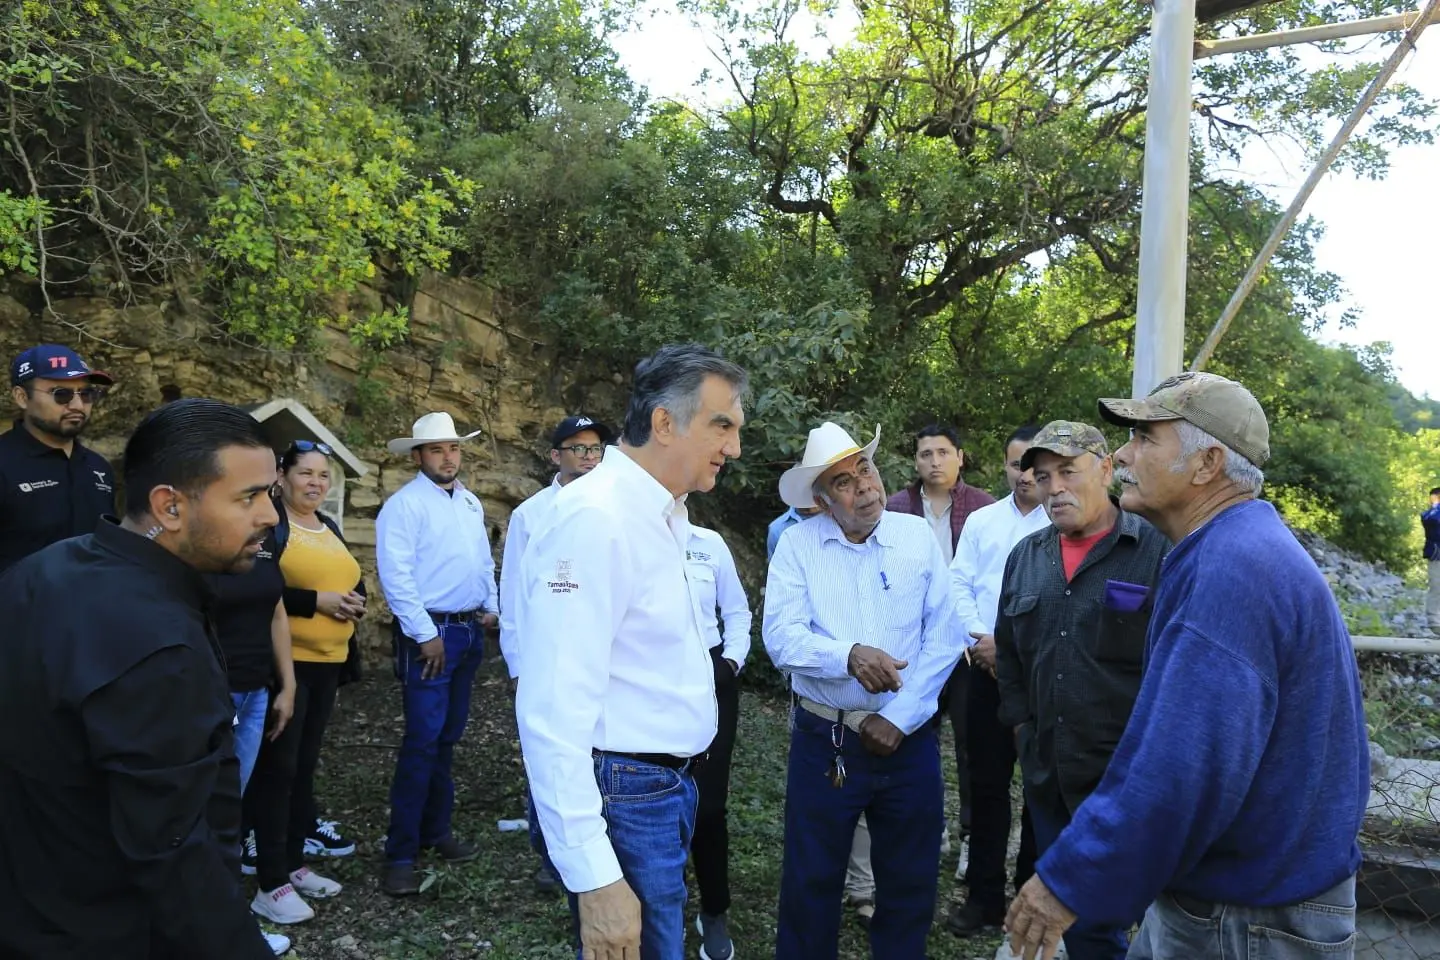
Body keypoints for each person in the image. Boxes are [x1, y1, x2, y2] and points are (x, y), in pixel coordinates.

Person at [1005, 373, 1369, 960]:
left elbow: (1182, 767)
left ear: (1207, 464)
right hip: (1243, 903)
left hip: (1245, 920)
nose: (1122, 454)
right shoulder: (1238, 548)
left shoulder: (1232, 569)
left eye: (1146, 438)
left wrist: (1068, 880)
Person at [0, 398, 283, 959]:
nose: (271, 515)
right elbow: (175, 850)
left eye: (270, 493)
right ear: (169, 506)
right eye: (248, 497)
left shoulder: (43, 570)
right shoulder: (161, 648)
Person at [516, 343, 746, 959]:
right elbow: (552, 707)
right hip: (626, 795)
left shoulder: (664, 516)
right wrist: (595, 877)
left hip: (664, 789)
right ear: (665, 423)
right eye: (721, 425)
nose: (734, 447)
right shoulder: (597, 517)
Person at [764, 420, 967, 959]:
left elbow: (946, 635)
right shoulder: (797, 546)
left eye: (867, 470)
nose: (866, 488)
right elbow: (780, 639)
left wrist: (899, 717)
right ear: (823, 499)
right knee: (811, 882)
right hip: (825, 739)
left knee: (910, 882)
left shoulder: (915, 536)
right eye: (845, 482)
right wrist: (847, 656)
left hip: (909, 741)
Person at [991, 420, 1168, 960]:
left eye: (1069, 471)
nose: (1055, 488)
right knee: (1078, 924)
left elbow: (1173, 663)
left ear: (1107, 469)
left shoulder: (1155, 549)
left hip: (1126, 782)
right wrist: (1025, 729)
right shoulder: (1026, 558)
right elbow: (1011, 653)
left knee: (1137, 920)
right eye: (1044, 477)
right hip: (1051, 777)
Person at [377, 412, 500, 895]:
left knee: (447, 739)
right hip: (431, 634)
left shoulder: (468, 502)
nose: (448, 457)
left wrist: (490, 607)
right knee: (422, 741)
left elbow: (482, 562)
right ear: (418, 456)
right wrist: (424, 633)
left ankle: (436, 831)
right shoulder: (404, 507)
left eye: (453, 449)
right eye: (436, 450)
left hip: (467, 630)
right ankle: (400, 855)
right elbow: (397, 576)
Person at [247, 441, 363, 923]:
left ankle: (294, 863)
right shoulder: (272, 524)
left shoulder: (328, 525)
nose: (315, 483)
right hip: (286, 664)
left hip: (328, 662)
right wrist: (317, 602)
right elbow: (263, 588)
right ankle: (268, 881)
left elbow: (348, 577)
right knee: (278, 771)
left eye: (323, 476)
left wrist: (355, 601)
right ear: (282, 477)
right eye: (306, 474)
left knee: (304, 768)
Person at [498, 413, 614, 893]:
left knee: (597, 753)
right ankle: (550, 853)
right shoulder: (531, 514)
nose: (588, 458)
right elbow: (513, 596)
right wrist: (520, 665)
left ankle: (597, 848)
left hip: (598, 658)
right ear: (555, 456)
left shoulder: (613, 506)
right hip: (547, 658)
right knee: (549, 752)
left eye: (595, 450)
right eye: (578, 449)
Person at [946, 424, 1047, 937]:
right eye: (1016, 465)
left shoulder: (1063, 523)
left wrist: (1010, 651)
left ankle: (1031, 897)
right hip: (985, 673)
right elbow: (959, 582)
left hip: (1040, 681)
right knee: (986, 788)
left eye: (1035, 467)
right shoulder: (984, 521)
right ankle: (983, 899)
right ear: (1004, 467)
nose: (1025, 475)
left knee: (1039, 790)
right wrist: (979, 639)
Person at [884, 424, 994, 868]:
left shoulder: (982, 508)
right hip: (912, 645)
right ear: (915, 462)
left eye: (943, 453)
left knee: (971, 744)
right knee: (914, 734)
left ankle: (970, 834)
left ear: (960, 457)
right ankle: (929, 828)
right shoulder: (896, 507)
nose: (934, 461)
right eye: (926, 454)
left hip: (965, 646)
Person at [685, 523, 752, 960]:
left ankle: (713, 910)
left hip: (710, 674)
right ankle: (658, 905)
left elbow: (738, 611)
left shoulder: (708, 544)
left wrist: (730, 662)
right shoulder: (623, 533)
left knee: (708, 806)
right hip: (645, 676)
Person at [0, 343, 116, 574]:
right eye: (61, 394)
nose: (77, 405)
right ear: (22, 397)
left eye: (86, 394)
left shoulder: (99, 468)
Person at [1424, 486, 1440, 636]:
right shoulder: (1431, 514)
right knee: (1437, 586)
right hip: (1437, 556)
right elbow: (1430, 520)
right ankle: (1434, 621)